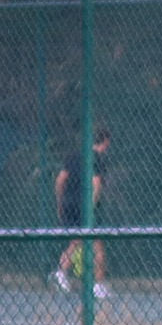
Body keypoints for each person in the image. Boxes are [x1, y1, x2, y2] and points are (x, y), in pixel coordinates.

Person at [50, 127, 111, 299]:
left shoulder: (74, 156)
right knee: (96, 244)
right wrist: (90, 207)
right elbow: (96, 183)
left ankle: (61, 273)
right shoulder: (97, 158)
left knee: (77, 240)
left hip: (69, 204)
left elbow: (60, 180)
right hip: (84, 207)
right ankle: (97, 286)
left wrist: (60, 202)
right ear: (106, 142)